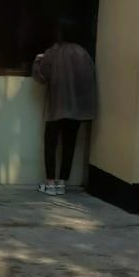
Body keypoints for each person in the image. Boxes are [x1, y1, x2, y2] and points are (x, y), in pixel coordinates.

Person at [32, 20, 98, 196]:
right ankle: (62, 183)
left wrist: (37, 61)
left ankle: (50, 183)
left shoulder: (54, 52)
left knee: (51, 144)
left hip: (57, 107)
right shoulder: (84, 54)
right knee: (69, 144)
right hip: (77, 109)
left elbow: (41, 76)